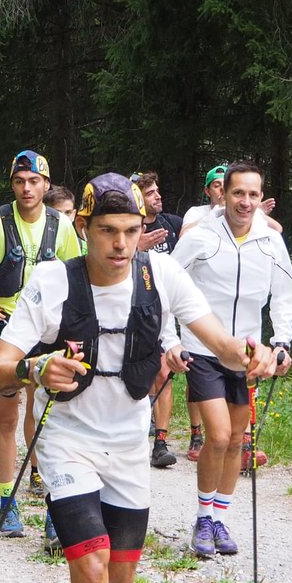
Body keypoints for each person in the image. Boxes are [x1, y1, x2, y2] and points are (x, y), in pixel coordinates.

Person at [0, 173, 276, 583]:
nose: (119, 243)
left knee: (118, 581)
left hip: (128, 445)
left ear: (144, 232)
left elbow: (218, 343)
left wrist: (252, 353)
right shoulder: (51, 283)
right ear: (84, 230)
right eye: (107, 231)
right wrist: (36, 372)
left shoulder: (162, 276)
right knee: (90, 574)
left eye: (131, 231)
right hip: (68, 443)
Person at [170, 161, 292, 558]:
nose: (245, 202)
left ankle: (219, 519)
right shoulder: (201, 236)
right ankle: (203, 518)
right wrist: (169, 340)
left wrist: (281, 343)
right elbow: (166, 286)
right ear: (222, 193)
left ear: (262, 198)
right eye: (238, 193)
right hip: (203, 348)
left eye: (253, 195)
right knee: (219, 436)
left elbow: (284, 294)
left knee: (238, 442)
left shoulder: (271, 242)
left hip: (247, 354)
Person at [0, 150, 82, 541]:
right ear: (12, 185)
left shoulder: (60, 225)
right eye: (19, 181)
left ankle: (51, 501)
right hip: (6, 327)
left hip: (49, 331)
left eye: (34, 181)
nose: (27, 189)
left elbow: (76, 275)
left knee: (46, 416)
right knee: (7, 418)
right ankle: (7, 502)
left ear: (46, 185)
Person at [132, 172, 186, 469]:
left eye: (157, 190)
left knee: (164, 370)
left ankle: (160, 442)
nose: (158, 196)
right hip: (130, 311)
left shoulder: (172, 224)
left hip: (164, 310)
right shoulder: (126, 226)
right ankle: (134, 433)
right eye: (150, 192)